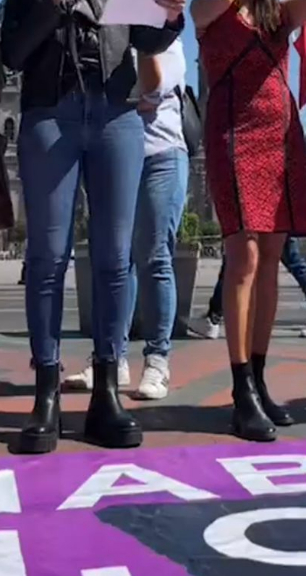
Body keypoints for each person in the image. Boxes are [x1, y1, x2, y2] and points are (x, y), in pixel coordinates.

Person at [4, 0, 187, 454]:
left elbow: (149, 39)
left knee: (114, 257)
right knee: (47, 256)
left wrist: (172, 15)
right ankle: (47, 391)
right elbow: (12, 53)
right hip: (50, 116)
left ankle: (107, 385)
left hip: (115, 115)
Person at [194, 0, 306, 442]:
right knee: (243, 256)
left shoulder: (277, 17)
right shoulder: (210, 10)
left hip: (281, 138)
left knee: (272, 256)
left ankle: (259, 373)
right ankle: (239, 387)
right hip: (233, 136)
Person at [124, 42, 189, 401]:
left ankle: (157, 359)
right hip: (115, 154)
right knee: (117, 259)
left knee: (154, 256)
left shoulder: (166, 36)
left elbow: (153, 91)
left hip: (161, 153)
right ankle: (113, 356)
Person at [196, 235, 306, 340]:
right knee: (291, 260)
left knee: (235, 260)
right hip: (268, 211)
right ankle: (213, 316)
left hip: (265, 211)